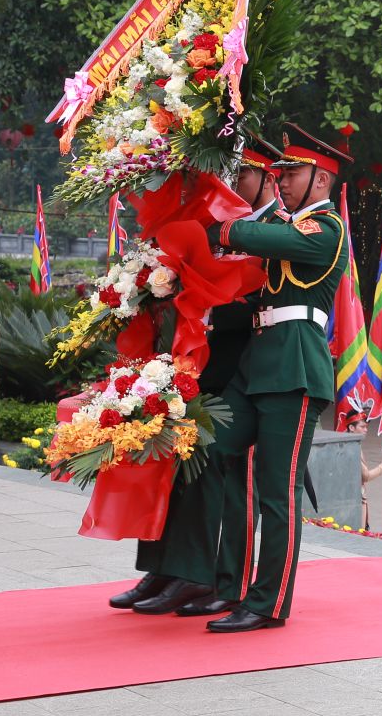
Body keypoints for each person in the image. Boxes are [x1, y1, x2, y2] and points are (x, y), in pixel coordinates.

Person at [112, 139, 285, 615]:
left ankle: (198, 574)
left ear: (267, 177)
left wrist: (206, 307)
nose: (232, 184)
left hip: (241, 370)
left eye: (242, 175)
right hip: (195, 364)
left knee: (208, 472)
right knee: (173, 465)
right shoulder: (214, 222)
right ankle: (163, 568)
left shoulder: (276, 230)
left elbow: (266, 303)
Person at [200, 125, 349, 632]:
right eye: (279, 174)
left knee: (277, 491)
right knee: (217, 449)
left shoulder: (326, 228)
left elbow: (270, 236)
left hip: (295, 367)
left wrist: (223, 229)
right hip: (258, 363)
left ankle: (268, 602)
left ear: (321, 180)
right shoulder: (289, 222)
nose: (280, 181)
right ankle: (230, 582)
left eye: (291, 174)